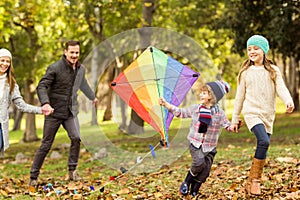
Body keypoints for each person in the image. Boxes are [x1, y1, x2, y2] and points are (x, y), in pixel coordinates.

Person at [231, 35, 295, 195]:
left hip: (268, 114)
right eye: (249, 49)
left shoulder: (273, 70)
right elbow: (239, 96)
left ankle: (251, 180)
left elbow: (281, 88)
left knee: (263, 146)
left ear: (264, 51)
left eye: (256, 48)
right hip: (251, 112)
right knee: (264, 141)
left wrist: (288, 100)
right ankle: (255, 181)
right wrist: (235, 118)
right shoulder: (245, 72)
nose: (252, 51)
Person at [29, 41, 98, 188]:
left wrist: (93, 97)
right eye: (72, 52)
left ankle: (72, 171)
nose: (74, 55)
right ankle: (33, 176)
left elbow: (83, 84)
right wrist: (45, 103)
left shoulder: (81, 69)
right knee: (46, 145)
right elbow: (41, 86)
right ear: (65, 52)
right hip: (53, 112)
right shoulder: (55, 68)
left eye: (77, 53)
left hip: (70, 112)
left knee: (76, 137)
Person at [159, 80, 240, 197]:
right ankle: (186, 182)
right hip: (195, 143)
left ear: (213, 97)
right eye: (201, 92)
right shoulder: (196, 109)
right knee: (199, 163)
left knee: (205, 172)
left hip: (210, 147)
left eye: (204, 93)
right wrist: (166, 104)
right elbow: (180, 113)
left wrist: (234, 126)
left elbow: (227, 125)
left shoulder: (219, 114)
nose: (201, 95)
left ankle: (194, 190)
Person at [0, 48, 52, 157]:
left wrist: (41, 110)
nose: (5, 64)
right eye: (2, 60)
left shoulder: (11, 84)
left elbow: (22, 106)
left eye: (8, 61)